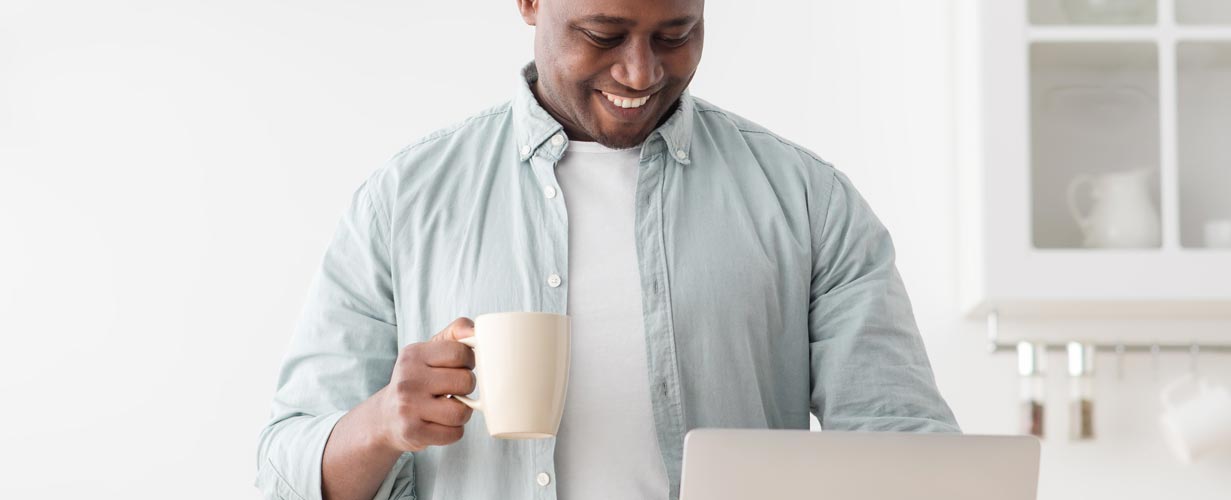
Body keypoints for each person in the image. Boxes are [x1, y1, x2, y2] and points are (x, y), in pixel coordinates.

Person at [255, 0, 959, 498]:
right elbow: (285, 471)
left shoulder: (810, 202)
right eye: (603, 33)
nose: (640, 72)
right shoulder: (403, 200)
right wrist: (380, 424)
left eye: (676, 33)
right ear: (529, 3)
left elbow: (908, 455)